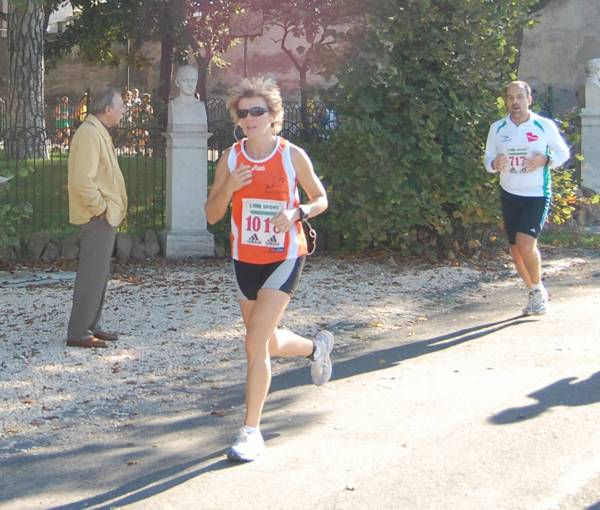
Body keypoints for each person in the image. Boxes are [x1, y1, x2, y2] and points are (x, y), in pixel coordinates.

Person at [205, 77, 333, 462]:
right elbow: (211, 214)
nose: (250, 118)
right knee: (266, 340)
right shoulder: (230, 158)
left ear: (273, 115)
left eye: (257, 111)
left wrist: (298, 212)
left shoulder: (292, 156)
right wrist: (230, 187)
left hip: (285, 256)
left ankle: (250, 432)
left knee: (254, 341)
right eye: (243, 113)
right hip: (245, 259)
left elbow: (321, 198)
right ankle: (316, 348)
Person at [484, 80, 570, 315]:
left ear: (529, 100)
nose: (515, 103)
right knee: (515, 250)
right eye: (510, 98)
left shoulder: (543, 125)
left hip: (536, 193)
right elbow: (488, 158)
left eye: (519, 97)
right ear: (506, 102)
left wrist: (545, 159)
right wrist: (494, 163)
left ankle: (539, 292)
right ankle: (533, 290)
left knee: (525, 243)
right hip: (510, 193)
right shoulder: (498, 128)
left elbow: (563, 152)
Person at [66, 86, 128, 348]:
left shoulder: (97, 131)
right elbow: (82, 181)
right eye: (121, 106)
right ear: (108, 109)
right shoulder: (90, 134)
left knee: (99, 274)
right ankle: (79, 331)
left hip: (103, 216)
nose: (124, 110)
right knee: (92, 274)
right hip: (97, 217)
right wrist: (101, 209)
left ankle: (91, 324)